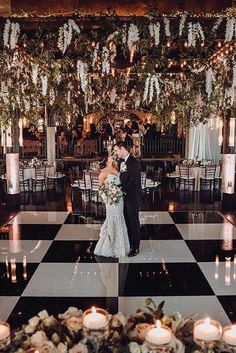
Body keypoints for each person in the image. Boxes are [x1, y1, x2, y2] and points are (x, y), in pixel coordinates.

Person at [94, 155, 130, 258]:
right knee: (111, 219)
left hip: (119, 199)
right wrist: (108, 198)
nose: (112, 157)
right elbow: (101, 188)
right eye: (110, 157)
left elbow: (122, 180)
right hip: (110, 201)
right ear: (106, 160)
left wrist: (119, 192)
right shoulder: (103, 172)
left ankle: (120, 244)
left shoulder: (116, 168)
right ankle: (109, 244)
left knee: (120, 217)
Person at [113, 141, 141, 257]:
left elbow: (132, 182)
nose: (115, 152)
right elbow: (122, 178)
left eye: (116, 150)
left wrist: (119, 190)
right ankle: (129, 242)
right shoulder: (121, 162)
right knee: (127, 220)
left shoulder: (134, 163)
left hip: (132, 196)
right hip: (124, 196)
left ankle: (135, 247)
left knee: (133, 221)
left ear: (122, 148)